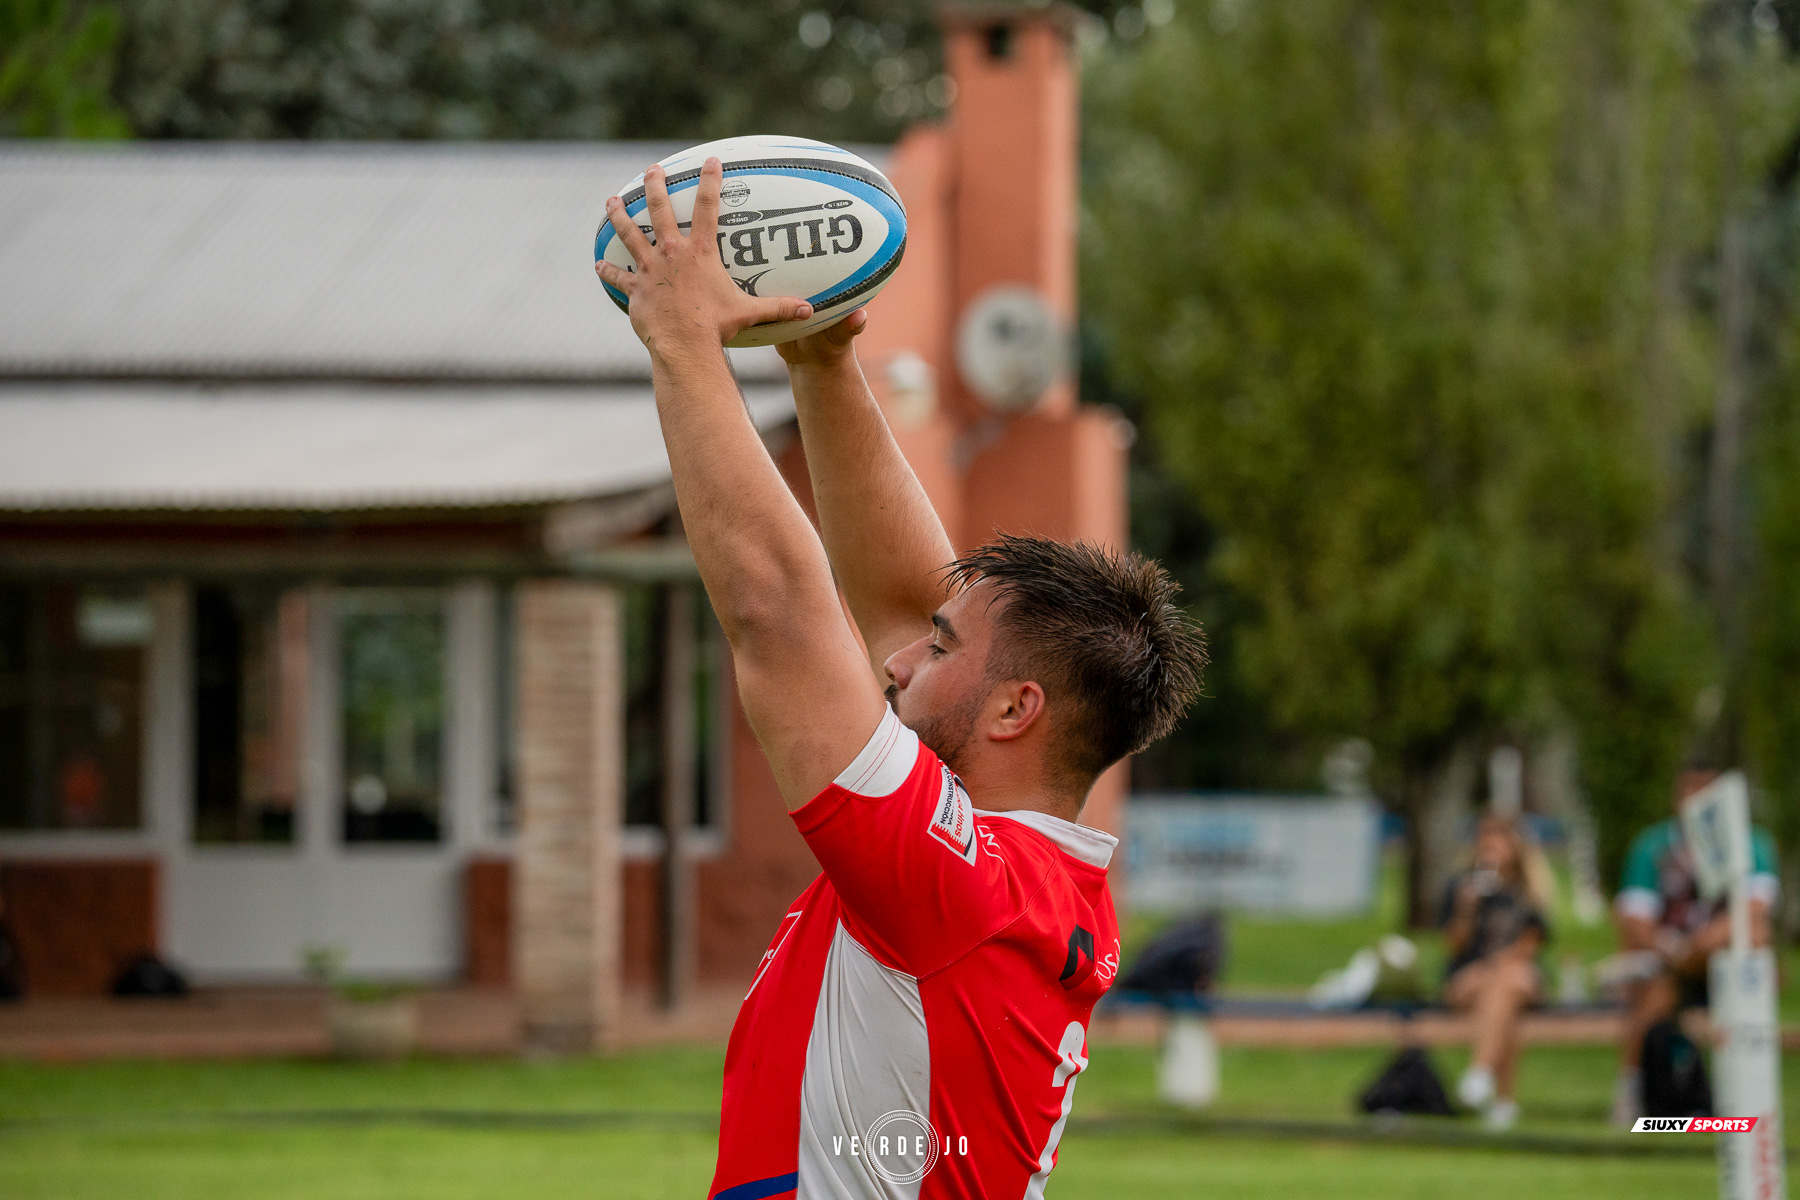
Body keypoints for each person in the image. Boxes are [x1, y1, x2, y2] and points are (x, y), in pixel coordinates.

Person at [596, 163, 1207, 1200]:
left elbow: (776, 612)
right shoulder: (1034, 876)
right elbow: (900, 596)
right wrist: (823, 365)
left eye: (935, 648)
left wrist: (682, 346)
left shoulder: (954, 886)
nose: (895, 658)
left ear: (1018, 709)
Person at [1609, 770, 1780, 1128]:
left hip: (1726, 960)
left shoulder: (1751, 844)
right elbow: (1634, 918)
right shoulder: (1653, 846)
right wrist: (1673, 947)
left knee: (1754, 936)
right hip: (1668, 961)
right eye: (1691, 792)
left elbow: (1755, 911)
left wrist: (1701, 943)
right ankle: (1637, 1092)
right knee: (1653, 993)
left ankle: (1745, 1105)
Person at [1439, 815, 1553, 1130]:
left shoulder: (1528, 891)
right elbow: (1452, 945)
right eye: (1485, 837)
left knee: (1509, 983)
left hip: (1514, 975)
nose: (1491, 845)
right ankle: (1502, 1102)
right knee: (1505, 1000)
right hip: (1472, 980)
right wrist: (1466, 908)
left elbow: (1529, 946)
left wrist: (1493, 969)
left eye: (1499, 837)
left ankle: (1480, 1075)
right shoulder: (1461, 885)